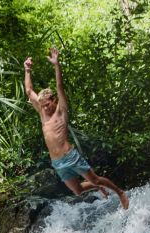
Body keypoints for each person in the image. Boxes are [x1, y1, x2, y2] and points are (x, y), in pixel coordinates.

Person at [24, 48, 128, 210]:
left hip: (70, 156)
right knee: (78, 191)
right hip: (57, 162)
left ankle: (120, 192)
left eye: (47, 105)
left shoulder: (61, 110)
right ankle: (97, 187)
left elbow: (59, 85)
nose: (44, 108)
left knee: (96, 179)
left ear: (54, 100)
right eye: (42, 106)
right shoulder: (43, 113)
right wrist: (27, 70)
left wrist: (56, 65)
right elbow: (29, 91)